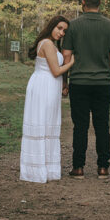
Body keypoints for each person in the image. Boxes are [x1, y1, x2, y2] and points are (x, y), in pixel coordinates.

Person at [61, 0, 110, 179]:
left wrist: (65, 81)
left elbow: (66, 55)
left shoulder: (74, 26)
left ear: (83, 2)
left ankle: (78, 167)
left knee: (81, 126)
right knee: (102, 125)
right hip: (102, 83)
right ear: (100, 2)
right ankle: (103, 167)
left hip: (79, 82)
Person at [19, 15, 74, 183]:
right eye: (59, 28)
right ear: (51, 26)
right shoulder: (48, 44)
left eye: (64, 30)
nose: (62, 32)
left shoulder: (50, 44)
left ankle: (47, 168)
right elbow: (56, 71)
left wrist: (64, 83)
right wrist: (72, 62)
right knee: (41, 124)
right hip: (43, 87)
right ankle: (36, 170)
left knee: (47, 125)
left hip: (49, 87)